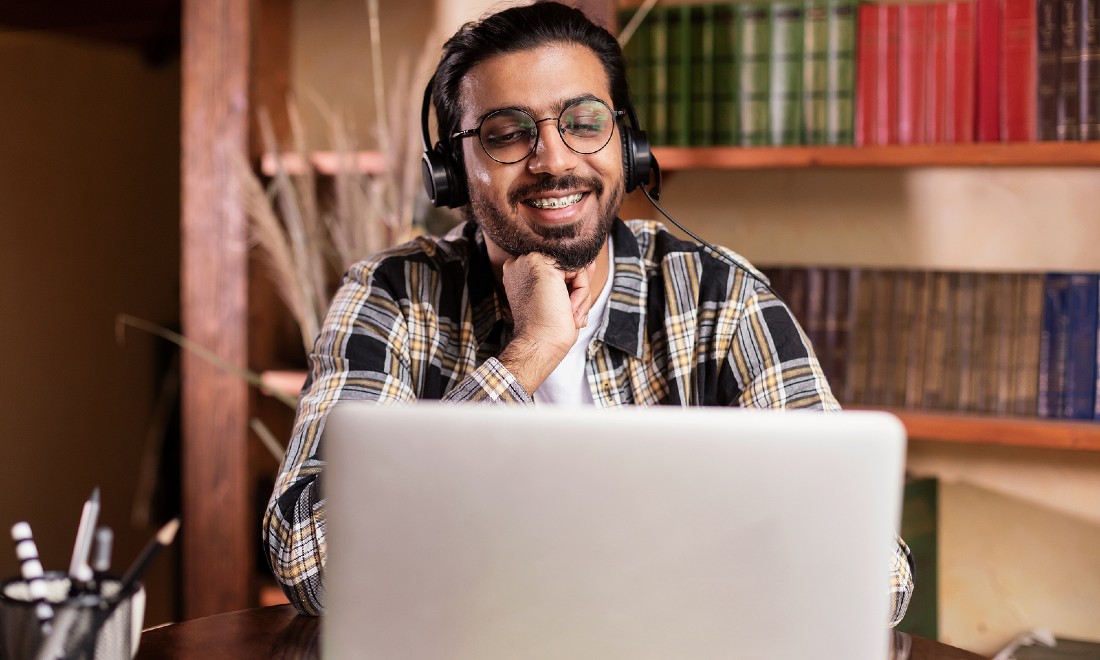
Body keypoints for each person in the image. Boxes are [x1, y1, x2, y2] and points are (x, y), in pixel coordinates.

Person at [263, 0, 914, 625]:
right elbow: (308, 562)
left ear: (625, 145)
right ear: (452, 175)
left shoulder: (723, 299)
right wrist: (526, 358)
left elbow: (875, 579)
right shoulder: (391, 296)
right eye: (507, 134)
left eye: (583, 121)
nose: (554, 160)